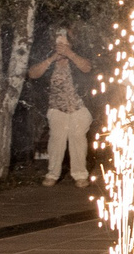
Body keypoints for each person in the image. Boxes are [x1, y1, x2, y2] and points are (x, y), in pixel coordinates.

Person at [27, 28, 95, 186]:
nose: (61, 46)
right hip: (56, 108)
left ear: (70, 44)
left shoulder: (77, 56)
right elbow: (32, 73)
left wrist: (70, 54)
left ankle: (80, 176)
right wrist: (51, 59)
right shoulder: (48, 59)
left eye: (64, 43)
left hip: (79, 107)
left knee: (78, 139)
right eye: (58, 43)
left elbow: (87, 68)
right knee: (56, 140)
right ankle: (52, 174)